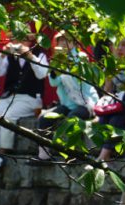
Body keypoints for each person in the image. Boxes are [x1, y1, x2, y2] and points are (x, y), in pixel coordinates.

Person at [0, 32, 49, 174]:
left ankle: (3, 153)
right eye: (16, 39)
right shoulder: (11, 55)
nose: (19, 42)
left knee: (8, 117)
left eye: (23, 39)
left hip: (30, 98)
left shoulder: (39, 54)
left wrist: (30, 56)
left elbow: (42, 74)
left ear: (31, 41)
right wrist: (3, 54)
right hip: (9, 96)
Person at [34, 33, 98, 163]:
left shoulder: (81, 57)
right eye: (60, 40)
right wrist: (55, 68)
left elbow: (79, 79)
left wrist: (65, 63)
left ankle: (73, 154)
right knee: (44, 119)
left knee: (73, 119)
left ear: (74, 43)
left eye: (67, 40)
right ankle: (44, 155)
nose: (63, 43)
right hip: (67, 103)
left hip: (86, 102)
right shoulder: (57, 59)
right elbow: (54, 83)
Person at [96, 38, 125, 161]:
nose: (120, 48)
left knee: (116, 121)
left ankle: (103, 156)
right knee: (103, 120)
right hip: (120, 105)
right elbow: (107, 91)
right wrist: (102, 110)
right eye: (116, 45)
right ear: (111, 47)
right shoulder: (111, 64)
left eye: (124, 45)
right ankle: (107, 153)